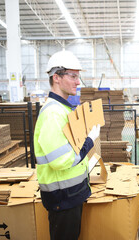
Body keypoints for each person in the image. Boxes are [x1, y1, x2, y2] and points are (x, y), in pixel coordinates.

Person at [34, 50, 100, 240]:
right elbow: (62, 161)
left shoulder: (63, 108)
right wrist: (89, 140)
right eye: (73, 76)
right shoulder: (53, 114)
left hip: (70, 195)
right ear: (56, 78)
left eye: (78, 76)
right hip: (62, 198)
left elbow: (71, 147)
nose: (78, 82)